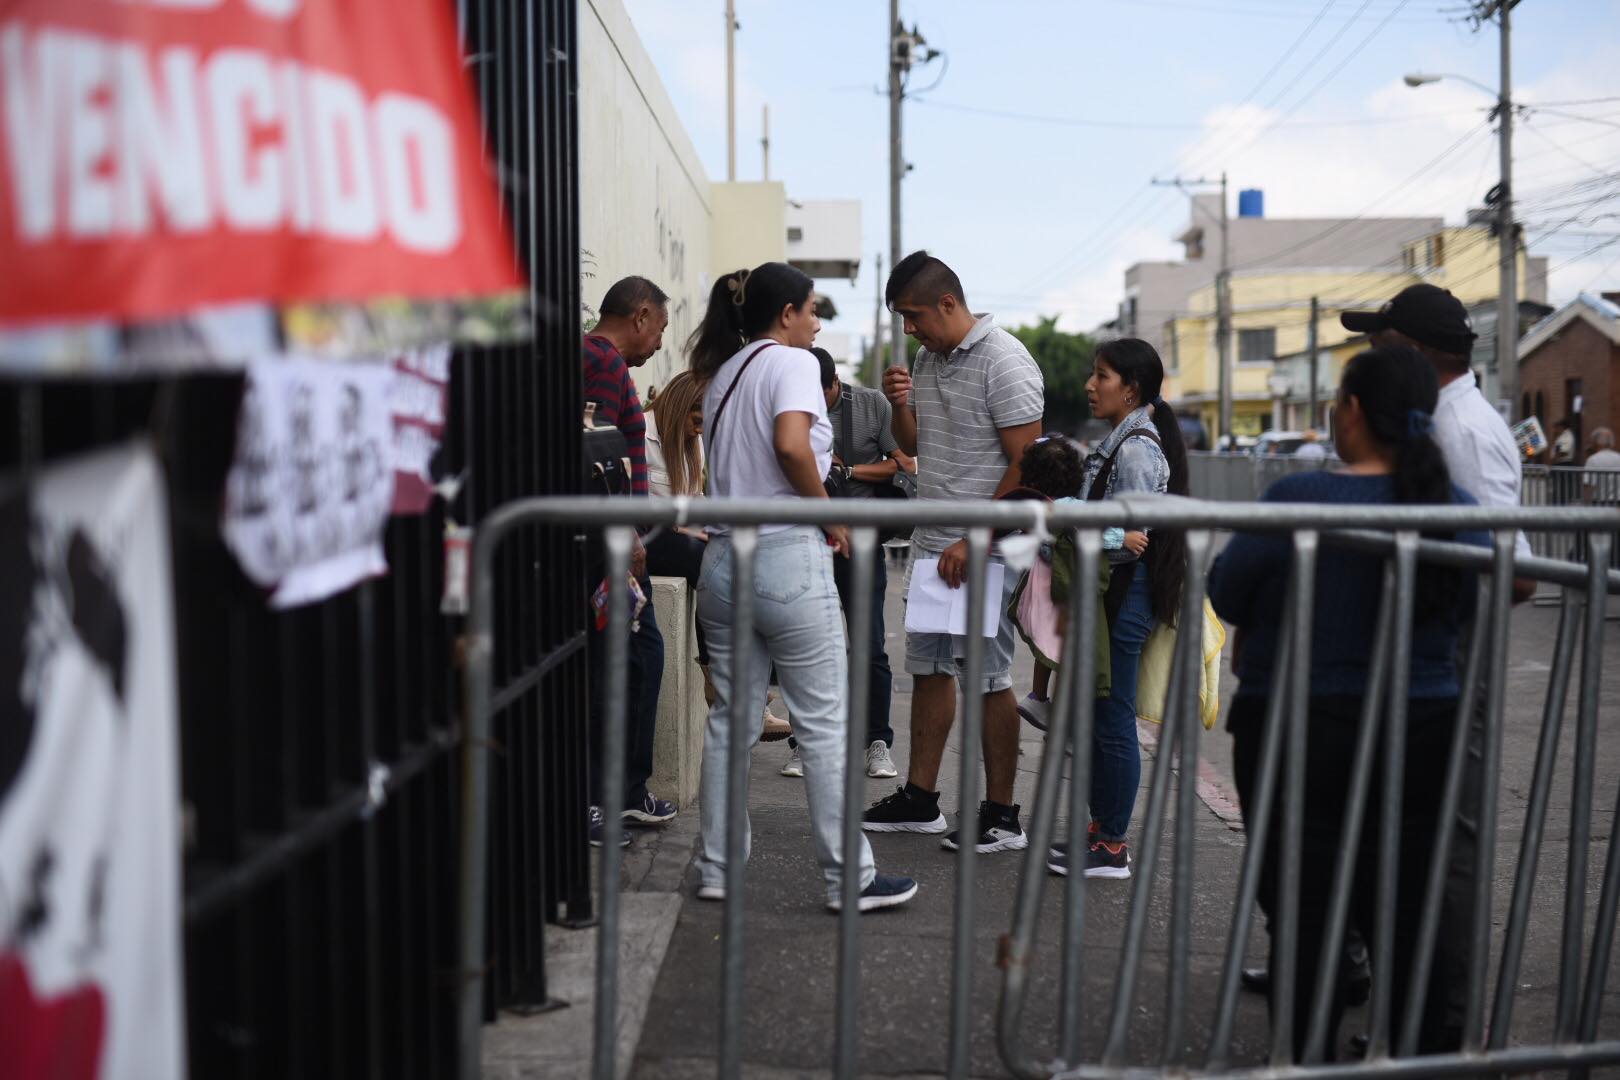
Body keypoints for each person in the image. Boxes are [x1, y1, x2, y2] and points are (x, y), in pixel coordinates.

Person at [1208, 344, 1487, 1060]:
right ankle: (1417, 1056)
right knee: (1405, 900)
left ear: (1354, 412)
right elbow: (1463, 608)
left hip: (1299, 724)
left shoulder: (1298, 498)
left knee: (1303, 903)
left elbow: (1228, 589)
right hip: (1423, 723)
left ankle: (1307, 1059)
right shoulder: (1456, 508)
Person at [688, 261, 916, 912]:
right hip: (787, 551)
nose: (817, 323)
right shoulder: (791, 362)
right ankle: (852, 879)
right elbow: (793, 446)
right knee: (823, 725)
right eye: (813, 309)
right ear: (786, 313)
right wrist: (830, 514)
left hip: (726, 558)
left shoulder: (726, 371)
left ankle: (717, 867)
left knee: (730, 723)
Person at [862, 250, 1044, 854]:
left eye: (914, 315)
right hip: (934, 542)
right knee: (930, 668)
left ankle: (1001, 816)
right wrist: (900, 405)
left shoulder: (1005, 361)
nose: (909, 329)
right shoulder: (927, 356)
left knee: (988, 677)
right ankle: (920, 799)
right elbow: (917, 446)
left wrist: (978, 537)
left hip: (983, 548)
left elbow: (1029, 464)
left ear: (947, 303)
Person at [1044, 338, 1188, 879]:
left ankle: (1111, 845)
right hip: (1115, 593)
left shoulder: (1135, 448)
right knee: (1103, 713)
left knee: (1113, 717)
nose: (1089, 384)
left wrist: (1070, 522)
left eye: (1101, 376)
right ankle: (1101, 830)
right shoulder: (1124, 439)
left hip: (1125, 595)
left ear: (1130, 390)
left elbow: (1134, 536)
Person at [582, 276, 677, 847]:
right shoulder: (603, 363)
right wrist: (627, 536)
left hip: (609, 544)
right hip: (606, 548)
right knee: (620, 667)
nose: (659, 342)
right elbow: (595, 458)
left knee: (637, 657)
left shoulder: (601, 363)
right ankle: (606, 798)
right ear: (640, 316)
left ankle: (623, 792)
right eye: (661, 328)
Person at [781, 350, 902, 781]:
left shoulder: (870, 404)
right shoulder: (789, 406)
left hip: (862, 538)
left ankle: (877, 742)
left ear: (834, 384)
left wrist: (847, 469)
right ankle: (804, 743)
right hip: (807, 538)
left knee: (869, 645)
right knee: (807, 647)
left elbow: (899, 463)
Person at [1012, 437, 1147, 732]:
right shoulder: (1070, 507)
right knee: (1067, 649)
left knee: (1047, 647)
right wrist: (1122, 538)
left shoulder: (1034, 505)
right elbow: (1091, 532)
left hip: (1040, 583)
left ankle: (1038, 695)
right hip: (1064, 587)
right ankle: (1068, 717)